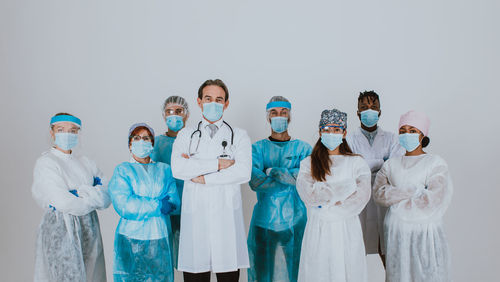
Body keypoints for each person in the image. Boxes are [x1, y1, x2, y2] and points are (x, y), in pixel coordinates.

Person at [171, 79, 251, 282]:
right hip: (195, 220)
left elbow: (243, 172)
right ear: (199, 102)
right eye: (208, 98)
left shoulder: (239, 136)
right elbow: (178, 168)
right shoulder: (186, 135)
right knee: (195, 274)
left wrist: (202, 176)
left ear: (226, 104)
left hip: (226, 221)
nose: (213, 103)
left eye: (219, 99)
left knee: (228, 273)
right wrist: (219, 164)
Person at [373, 110, 453, 281]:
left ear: (423, 135)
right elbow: (379, 195)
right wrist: (415, 191)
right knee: (399, 275)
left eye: (412, 131)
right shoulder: (391, 165)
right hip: (397, 233)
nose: (406, 135)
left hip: (425, 233)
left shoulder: (435, 163)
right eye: (402, 131)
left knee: (428, 275)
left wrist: (397, 198)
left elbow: (433, 200)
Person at [32, 113, 110, 282]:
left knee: (92, 275)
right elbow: (63, 202)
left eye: (73, 130)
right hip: (61, 228)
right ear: (52, 133)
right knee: (65, 276)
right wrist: (91, 191)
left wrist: (79, 193)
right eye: (61, 130)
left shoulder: (86, 163)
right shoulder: (47, 163)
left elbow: (106, 197)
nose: (67, 134)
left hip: (90, 227)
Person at [296, 109, 371, 282]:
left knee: (348, 272)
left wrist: (325, 199)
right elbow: (309, 195)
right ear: (320, 131)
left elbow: (361, 196)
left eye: (337, 129)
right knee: (318, 273)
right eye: (327, 129)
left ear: (344, 132)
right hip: (319, 230)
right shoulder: (308, 164)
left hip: (347, 230)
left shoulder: (357, 163)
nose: (332, 133)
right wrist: (347, 188)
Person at [247, 96, 312, 282]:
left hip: (295, 220)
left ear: (290, 116)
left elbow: (306, 179)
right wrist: (290, 175)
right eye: (274, 113)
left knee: (296, 272)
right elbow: (255, 182)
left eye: (283, 112)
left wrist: (272, 171)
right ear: (268, 117)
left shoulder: (304, 149)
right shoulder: (257, 149)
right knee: (262, 274)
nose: (279, 116)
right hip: (264, 221)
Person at [108, 123, 180, 282]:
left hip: (159, 234)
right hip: (131, 237)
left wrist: (144, 202)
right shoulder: (123, 170)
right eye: (137, 138)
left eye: (146, 138)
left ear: (152, 144)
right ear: (130, 144)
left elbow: (174, 201)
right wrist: (158, 205)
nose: (142, 141)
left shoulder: (164, 169)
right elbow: (125, 205)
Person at [346, 90, 404, 265]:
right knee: (355, 252)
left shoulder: (392, 138)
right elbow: (349, 168)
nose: (369, 111)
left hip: (384, 200)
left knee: (389, 252)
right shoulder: (347, 139)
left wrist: (363, 164)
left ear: (380, 111)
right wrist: (381, 162)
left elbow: (393, 167)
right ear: (357, 113)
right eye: (364, 107)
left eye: (373, 107)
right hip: (357, 201)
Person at [151, 95, 189, 268]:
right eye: (169, 111)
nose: (174, 115)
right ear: (164, 115)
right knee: (162, 261)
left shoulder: (195, 140)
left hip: (192, 207)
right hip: (164, 208)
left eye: (179, 111)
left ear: (187, 114)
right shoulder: (156, 144)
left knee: (193, 263)